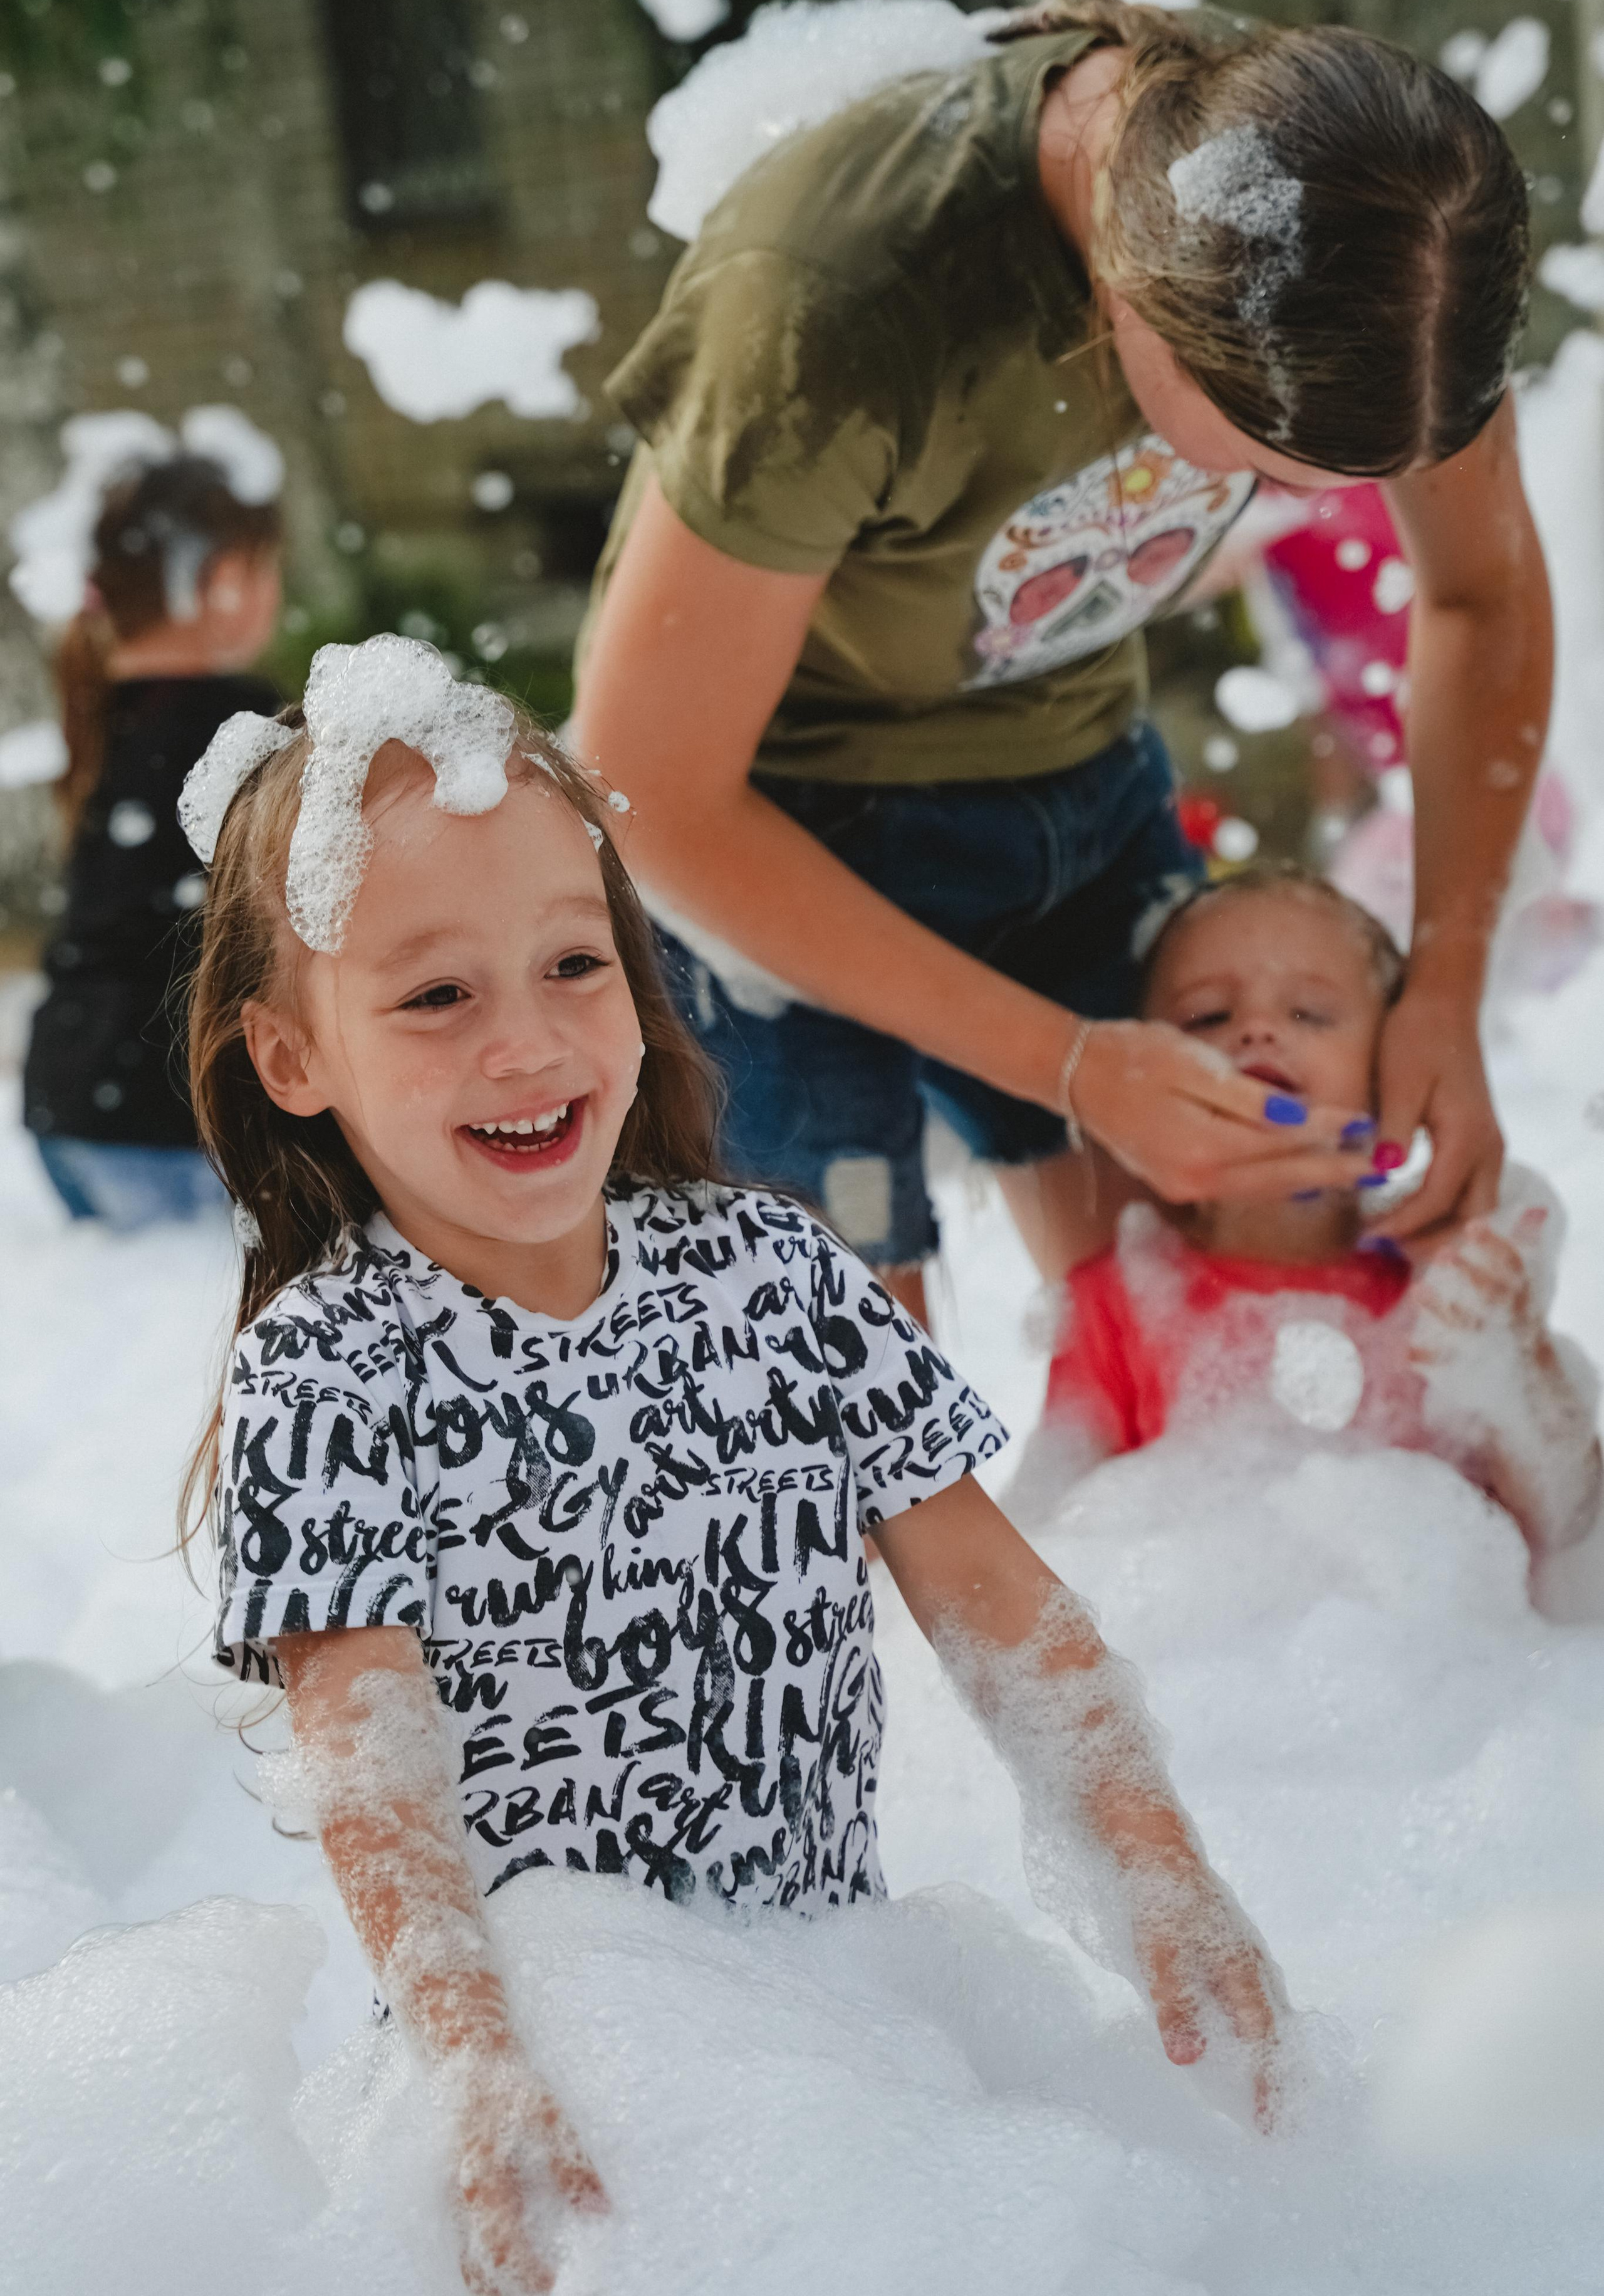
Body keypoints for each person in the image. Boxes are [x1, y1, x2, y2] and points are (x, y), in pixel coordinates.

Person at [179, 639, 1286, 2290]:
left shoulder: (771, 1275)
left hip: (840, 2021)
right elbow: (375, 1769)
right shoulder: (327, 1370)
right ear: (293, 1059)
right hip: (551, 2071)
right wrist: (477, 2064)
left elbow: (998, 1600)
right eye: (435, 994)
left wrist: (1158, 1857)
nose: (529, 1042)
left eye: (574, 962)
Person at [571, 0, 1548, 1325]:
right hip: (762, 849)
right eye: (1260, 467)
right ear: (1129, 297)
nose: (1279, 499)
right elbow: (645, 786)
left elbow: (1480, 596)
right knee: (844, 1405)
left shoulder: (1376, 230)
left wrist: (1443, 979)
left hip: (1077, 782)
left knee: (1217, 1328)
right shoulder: (833, 299)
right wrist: (1072, 1064)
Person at [1034, 866, 1601, 1573]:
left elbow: (1571, 1520)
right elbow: (1054, 1546)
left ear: (1392, 1071)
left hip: (1440, 1653)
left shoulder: (1447, 1284)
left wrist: (1515, 1366)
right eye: (1208, 1016)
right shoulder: (1117, 1306)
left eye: (1309, 1013)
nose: (1257, 1030)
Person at [23, 452, 282, 1229]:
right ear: (227, 580)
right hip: (170, 1117)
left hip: (67, 1110)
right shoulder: (243, 727)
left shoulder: (103, 717)